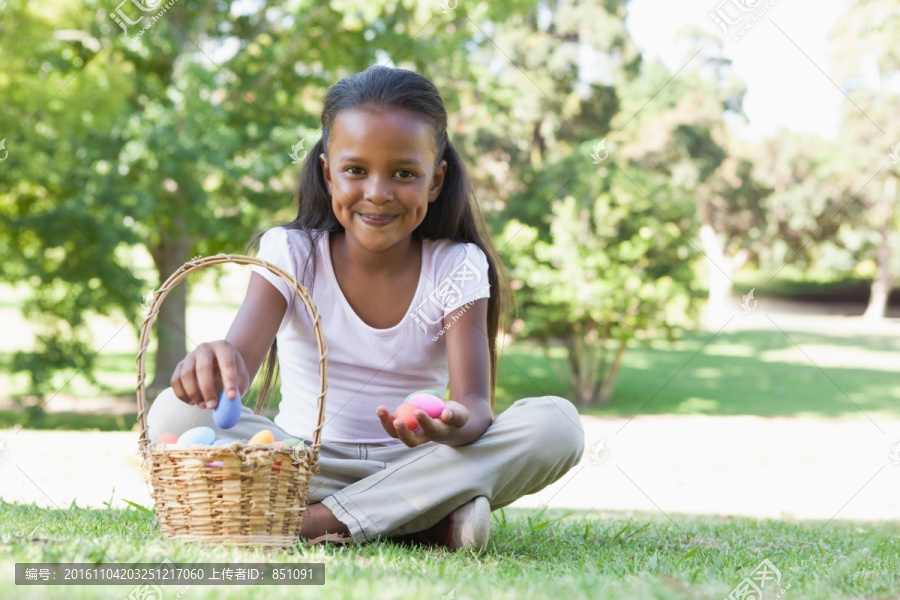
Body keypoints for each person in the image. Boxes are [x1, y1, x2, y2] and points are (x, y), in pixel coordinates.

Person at [147, 65, 585, 552]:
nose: (377, 192)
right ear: (327, 173)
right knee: (173, 411)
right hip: (302, 462)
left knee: (557, 425)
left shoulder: (457, 265)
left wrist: (454, 423)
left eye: (404, 173)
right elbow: (238, 370)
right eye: (356, 170)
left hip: (418, 462)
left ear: (436, 180)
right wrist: (215, 364)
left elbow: (475, 406)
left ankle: (314, 522)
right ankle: (423, 519)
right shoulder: (290, 251)